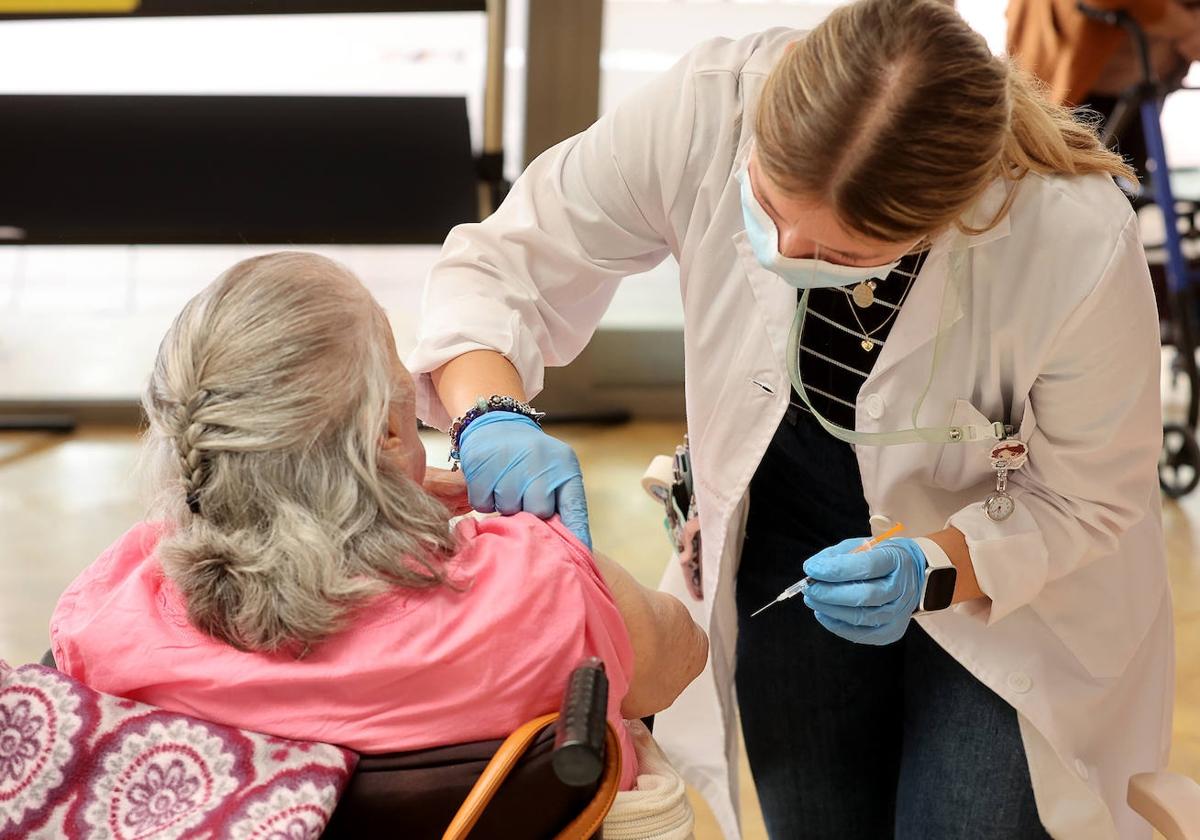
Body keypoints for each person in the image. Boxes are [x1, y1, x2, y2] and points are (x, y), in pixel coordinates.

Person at [406, 0, 1174, 837]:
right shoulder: (711, 106)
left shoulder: (1067, 235)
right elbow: (507, 260)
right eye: (766, 208)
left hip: (1019, 579)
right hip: (785, 526)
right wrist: (488, 412)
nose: (785, 252)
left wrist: (938, 566)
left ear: (943, 221)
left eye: (841, 257)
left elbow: (1088, 495)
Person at [49, 252, 709, 799]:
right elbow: (680, 657)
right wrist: (549, 546)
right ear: (390, 435)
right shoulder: (537, 591)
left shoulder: (111, 615)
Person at [1008, 0, 1200, 175]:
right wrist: (1186, 27)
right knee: (1069, 178)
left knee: (1126, 176)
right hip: (1081, 71)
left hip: (1142, 74)